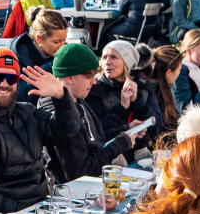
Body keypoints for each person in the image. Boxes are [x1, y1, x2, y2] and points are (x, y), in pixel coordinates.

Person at [0, 48, 82, 214]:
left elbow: (67, 132)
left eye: (11, 78)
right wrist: (26, 213)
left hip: (40, 212)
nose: (4, 84)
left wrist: (60, 96)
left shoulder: (27, 112)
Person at [48, 44, 136, 181]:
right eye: (88, 76)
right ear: (69, 78)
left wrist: (125, 130)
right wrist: (118, 145)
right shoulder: (60, 115)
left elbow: (95, 140)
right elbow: (80, 171)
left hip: (91, 188)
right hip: (74, 195)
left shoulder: (79, 100)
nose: (94, 82)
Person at [86, 40, 159, 144]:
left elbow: (157, 129)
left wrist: (138, 102)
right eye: (104, 57)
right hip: (112, 156)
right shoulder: (94, 89)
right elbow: (98, 134)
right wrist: (122, 107)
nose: (107, 62)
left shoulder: (143, 88)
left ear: (127, 62)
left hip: (141, 154)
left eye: (113, 57)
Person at [12, 7, 67, 99]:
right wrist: (52, 66)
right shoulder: (18, 56)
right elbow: (21, 95)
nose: (62, 46)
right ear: (39, 39)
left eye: (64, 40)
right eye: (56, 42)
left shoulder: (65, 51)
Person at [144, 44, 183, 131]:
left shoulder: (149, 84)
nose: (179, 73)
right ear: (168, 72)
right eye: (179, 69)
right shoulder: (157, 92)